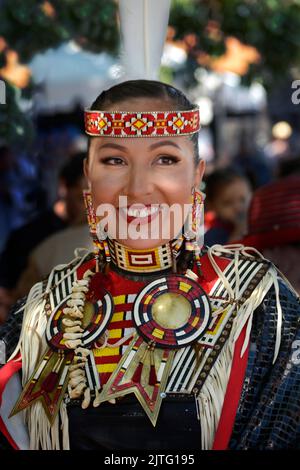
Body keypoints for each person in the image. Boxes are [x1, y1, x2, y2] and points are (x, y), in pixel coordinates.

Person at [0, 79, 300, 451]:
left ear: (197, 174)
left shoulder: (256, 302)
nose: (138, 187)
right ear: (88, 175)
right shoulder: (43, 310)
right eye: (114, 160)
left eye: (165, 159)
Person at [204, 168, 252, 246]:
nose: (238, 208)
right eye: (228, 203)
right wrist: (238, 232)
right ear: (212, 206)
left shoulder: (256, 223)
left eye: (242, 199)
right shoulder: (212, 237)